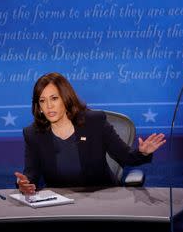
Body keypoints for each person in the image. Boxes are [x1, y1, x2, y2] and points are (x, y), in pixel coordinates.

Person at [14, 72, 166, 194]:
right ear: (38, 106)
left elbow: (126, 156)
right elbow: (30, 174)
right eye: (42, 101)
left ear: (66, 99)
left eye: (54, 98)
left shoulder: (94, 122)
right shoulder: (33, 134)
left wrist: (143, 152)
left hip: (102, 198)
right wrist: (24, 184)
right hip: (60, 205)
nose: (48, 106)